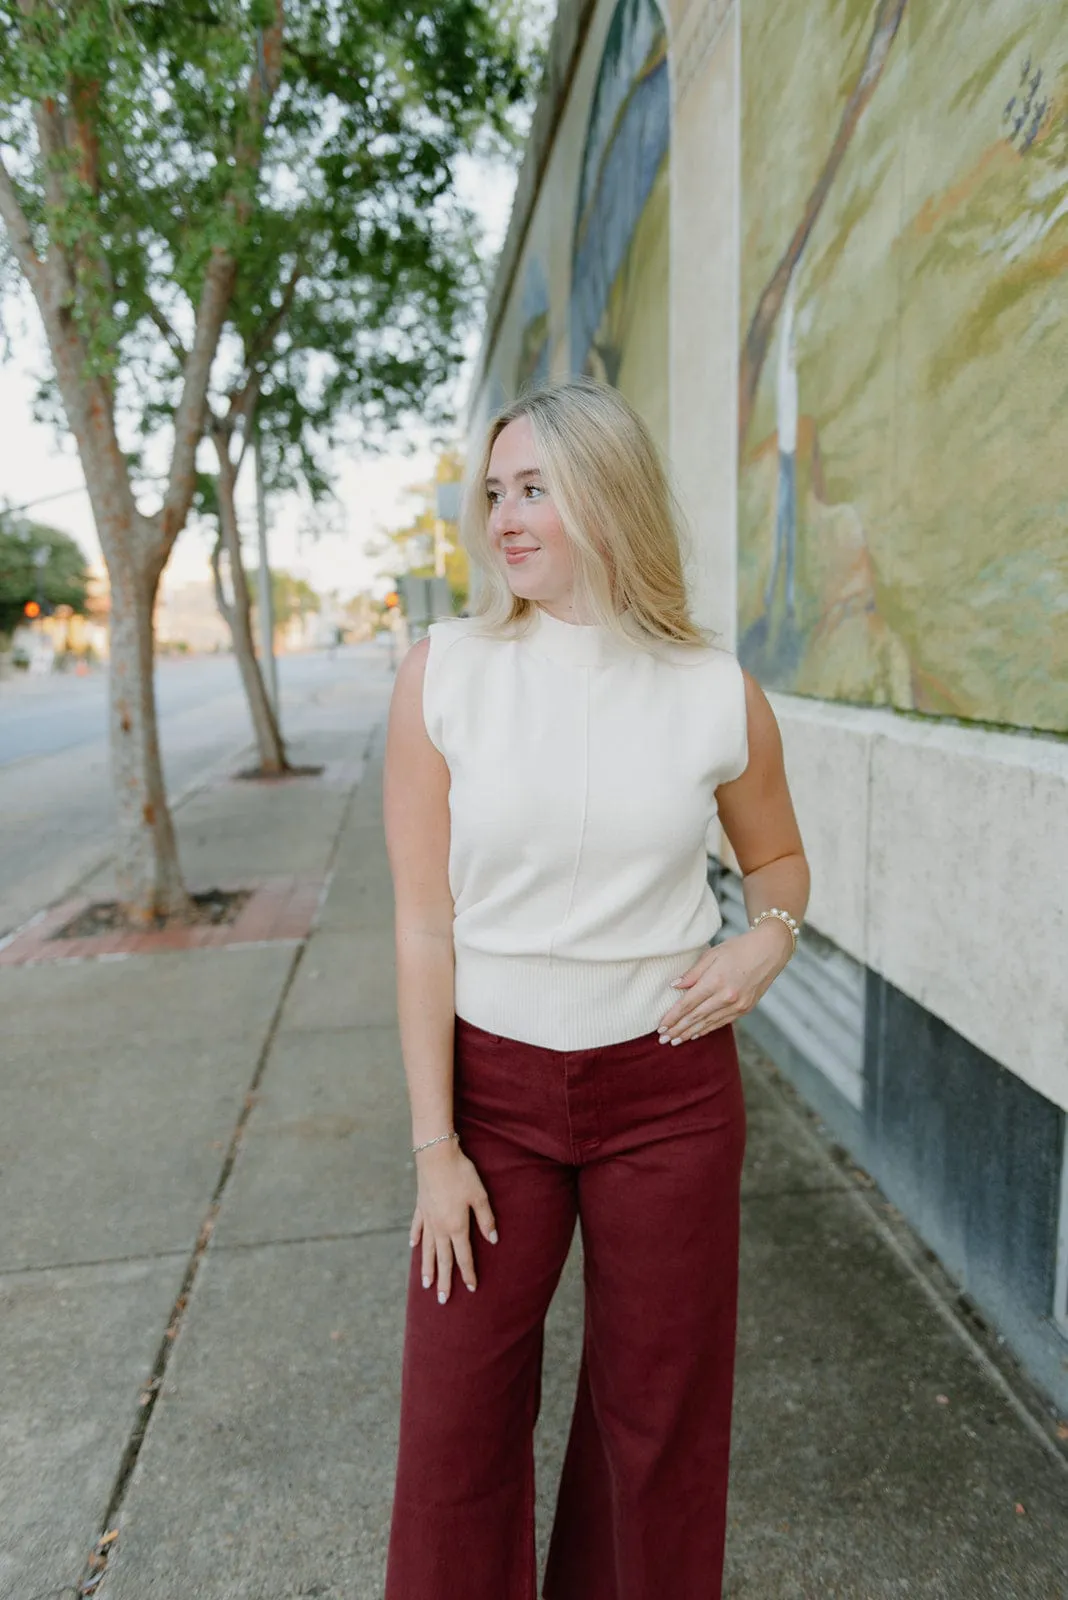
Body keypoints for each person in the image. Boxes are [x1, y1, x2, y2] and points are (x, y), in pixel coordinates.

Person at [382, 377, 810, 1599]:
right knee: (456, 1423)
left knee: (657, 1422)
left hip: (669, 1093)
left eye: (536, 489)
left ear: (608, 499)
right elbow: (422, 921)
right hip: (494, 1097)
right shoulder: (443, 673)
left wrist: (765, 940)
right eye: (497, 491)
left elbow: (779, 860)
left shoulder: (712, 690)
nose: (505, 518)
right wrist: (435, 1146)